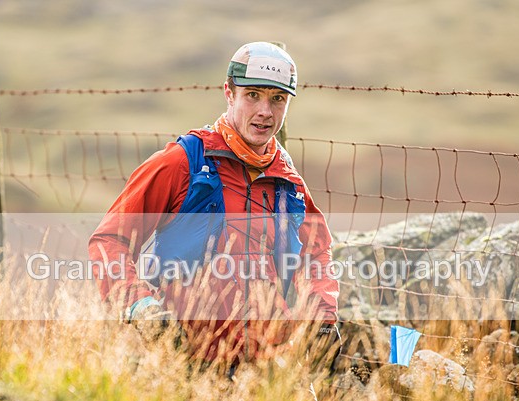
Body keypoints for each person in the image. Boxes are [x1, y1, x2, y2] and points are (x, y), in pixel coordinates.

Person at [89, 42, 340, 371]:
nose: (265, 110)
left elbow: (316, 253)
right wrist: (140, 305)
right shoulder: (182, 162)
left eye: (277, 99)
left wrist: (320, 313)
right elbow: (110, 241)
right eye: (253, 95)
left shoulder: (288, 181)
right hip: (181, 360)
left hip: (266, 369)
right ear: (229, 93)